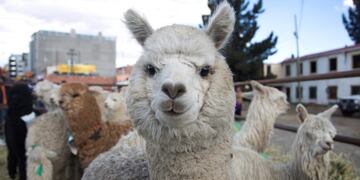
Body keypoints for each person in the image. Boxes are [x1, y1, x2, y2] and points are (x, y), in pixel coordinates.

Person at [5, 83, 33, 180]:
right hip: (23, 128)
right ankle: (23, 176)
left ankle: (12, 171)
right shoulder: (30, 109)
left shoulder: (10, 111)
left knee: (12, 151)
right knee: (23, 156)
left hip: (12, 125)